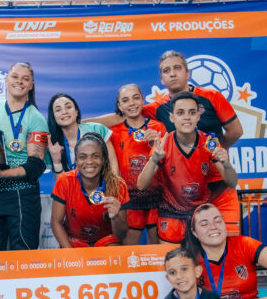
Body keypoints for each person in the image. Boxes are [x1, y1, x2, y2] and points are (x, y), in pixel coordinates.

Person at [89, 50, 243, 233]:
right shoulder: (158, 108)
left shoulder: (212, 97)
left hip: (217, 183)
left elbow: (236, 131)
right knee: (187, 242)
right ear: (161, 79)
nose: (172, 74)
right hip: (182, 189)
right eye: (166, 70)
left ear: (187, 73)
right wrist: (79, 122)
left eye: (177, 68)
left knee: (225, 238)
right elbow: (124, 116)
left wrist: (213, 153)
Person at [136, 92, 237, 244]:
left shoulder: (209, 142)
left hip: (200, 213)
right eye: (180, 113)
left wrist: (226, 164)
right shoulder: (163, 144)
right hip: (170, 213)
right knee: (172, 257)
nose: (187, 117)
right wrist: (154, 159)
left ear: (198, 116)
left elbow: (232, 182)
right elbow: (141, 185)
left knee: (205, 256)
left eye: (191, 112)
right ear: (172, 118)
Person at [0, 62, 49, 252]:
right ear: (6, 80)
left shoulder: (36, 118)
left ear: (31, 85)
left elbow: (36, 165)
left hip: (22, 193)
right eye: (15, 76)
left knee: (23, 256)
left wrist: (2, 175)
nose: (19, 82)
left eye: (25, 78)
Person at [108, 83, 166, 245]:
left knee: (156, 252)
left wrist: (156, 143)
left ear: (142, 100)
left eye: (136, 98)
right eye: (125, 100)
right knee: (129, 251)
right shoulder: (114, 132)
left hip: (157, 196)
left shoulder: (158, 127)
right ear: (120, 106)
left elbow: (167, 163)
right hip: (130, 197)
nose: (132, 103)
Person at [50, 133, 129, 248]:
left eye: (95, 156)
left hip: (106, 241)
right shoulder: (65, 181)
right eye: (83, 157)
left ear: (103, 159)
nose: (89, 161)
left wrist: (116, 218)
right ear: (76, 160)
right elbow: (56, 222)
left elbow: (122, 234)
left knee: (115, 250)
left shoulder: (118, 185)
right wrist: (70, 253)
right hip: (74, 241)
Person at [47, 92, 118, 178]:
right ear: (53, 117)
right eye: (58, 110)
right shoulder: (53, 143)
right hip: (70, 186)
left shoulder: (96, 130)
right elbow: (60, 182)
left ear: (76, 111)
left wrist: (110, 185)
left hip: (102, 185)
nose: (64, 112)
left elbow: (112, 164)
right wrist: (56, 162)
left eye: (68, 107)